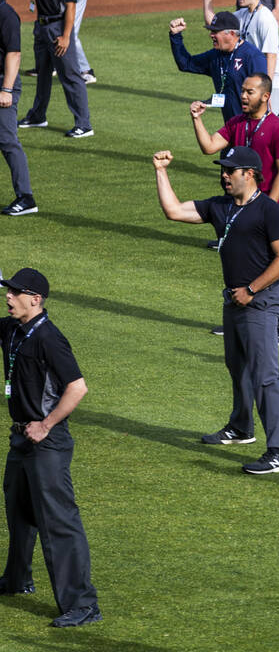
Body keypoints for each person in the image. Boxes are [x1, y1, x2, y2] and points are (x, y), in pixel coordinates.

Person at [153, 147, 279, 475]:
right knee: (238, 367)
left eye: (230, 170)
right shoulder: (221, 207)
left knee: (265, 377)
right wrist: (160, 171)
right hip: (234, 302)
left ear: (250, 173)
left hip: (260, 302)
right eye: (223, 170)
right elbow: (173, 211)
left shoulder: (270, 211)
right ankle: (241, 427)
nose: (224, 176)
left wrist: (252, 289)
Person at [0, 267, 101, 627]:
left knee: (59, 522)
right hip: (21, 438)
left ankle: (83, 605)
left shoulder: (50, 339)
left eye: (15, 293)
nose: (8, 297)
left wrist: (45, 425)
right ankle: (17, 579)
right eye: (7, 291)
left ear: (36, 299)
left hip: (47, 442)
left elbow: (78, 387)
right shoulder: (13, 329)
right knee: (19, 511)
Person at [190, 74, 279, 345]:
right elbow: (209, 147)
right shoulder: (237, 123)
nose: (243, 96)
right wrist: (197, 120)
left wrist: (269, 204)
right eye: (243, 91)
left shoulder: (277, 128)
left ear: (265, 96)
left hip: (264, 209)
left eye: (249, 92)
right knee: (241, 261)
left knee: (274, 262)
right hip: (240, 207)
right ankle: (238, 316)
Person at [1, 0, 92, 138]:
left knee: (70, 76)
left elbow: (71, 7)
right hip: (41, 28)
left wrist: (67, 36)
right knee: (43, 74)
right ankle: (38, 116)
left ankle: (84, 124)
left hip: (58, 29)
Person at [204, 0, 279, 122]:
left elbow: (271, 56)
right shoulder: (242, 15)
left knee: (263, 123)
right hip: (256, 75)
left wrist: (266, 90)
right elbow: (216, 25)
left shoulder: (265, 19)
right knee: (248, 122)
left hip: (274, 78)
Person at [168, 11, 267, 121]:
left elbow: (262, 94)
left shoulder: (252, 57)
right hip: (231, 126)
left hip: (252, 125)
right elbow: (186, 64)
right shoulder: (215, 56)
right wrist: (175, 36)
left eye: (215, 31)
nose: (211, 35)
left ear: (231, 34)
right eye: (211, 31)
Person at [0, 0, 34, 216]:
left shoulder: (6, 15)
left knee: (7, 140)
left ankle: (26, 197)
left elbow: (14, 54)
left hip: (3, 83)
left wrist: (6, 89)